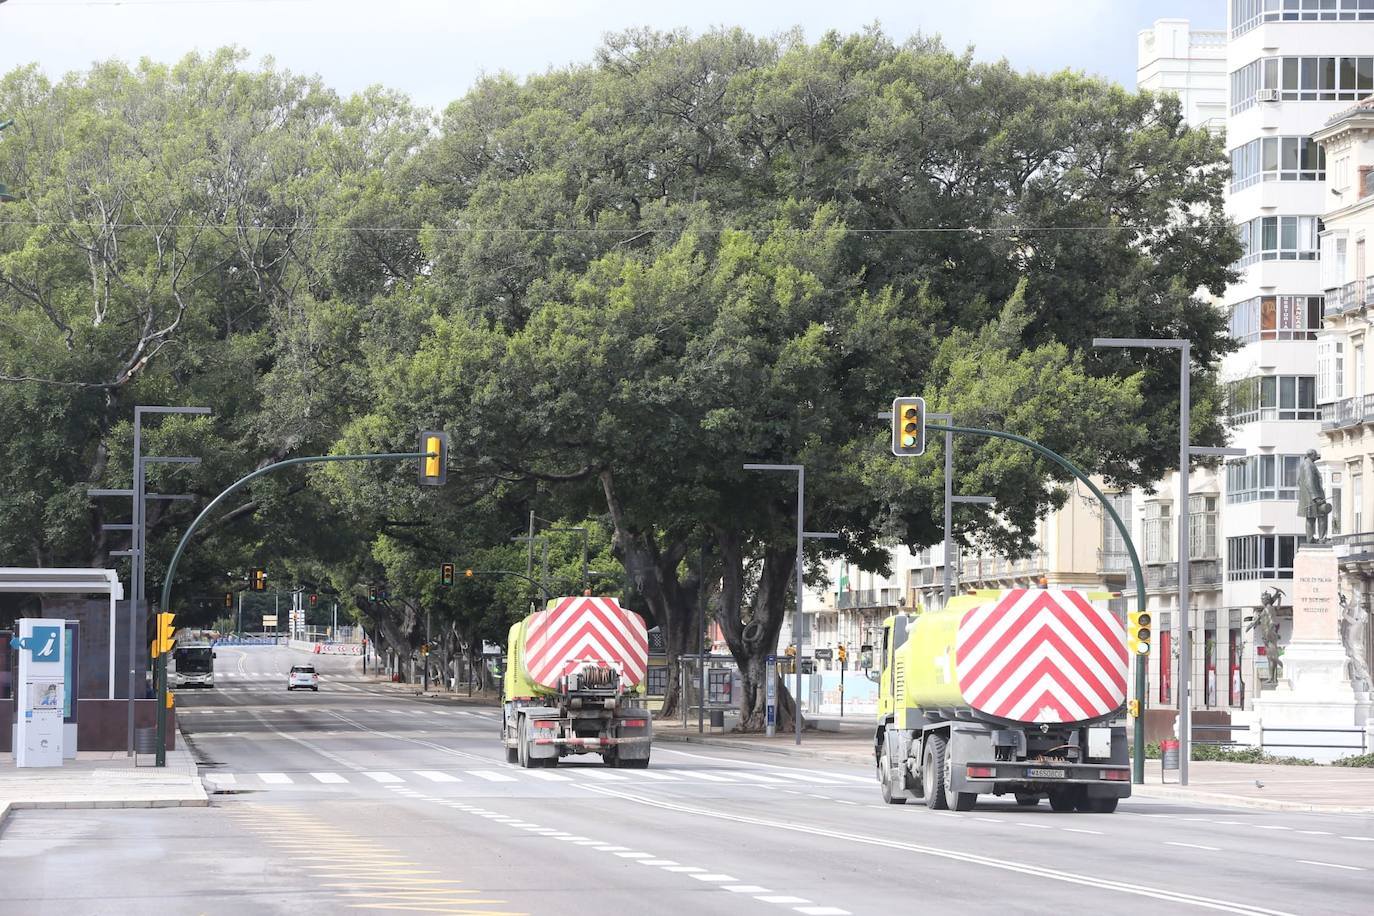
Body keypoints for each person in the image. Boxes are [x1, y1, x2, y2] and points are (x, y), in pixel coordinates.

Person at [1297, 450, 1329, 542]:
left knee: (1310, 518)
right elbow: (1309, 481)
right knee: (1322, 514)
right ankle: (1322, 538)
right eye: (1315, 455)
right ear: (1311, 455)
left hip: (1308, 497)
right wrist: (1316, 497)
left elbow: (1299, 481)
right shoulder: (1308, 465)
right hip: (1314, 497)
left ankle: (1310, 539)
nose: (1316, 457)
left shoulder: (1305, 464)